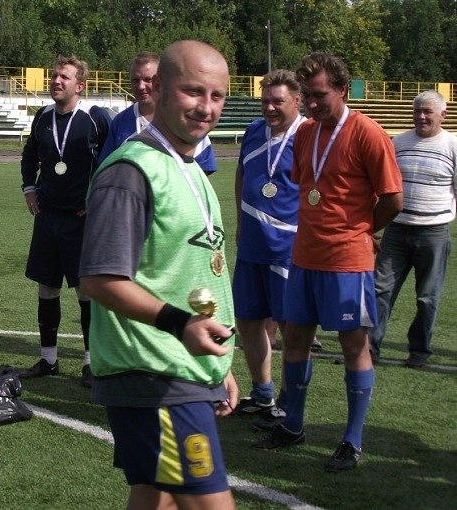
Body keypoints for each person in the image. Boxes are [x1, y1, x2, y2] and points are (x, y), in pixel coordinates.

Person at [79, 40, 238, 509]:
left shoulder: (188, 166)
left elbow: (188, 274)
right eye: (194, 91)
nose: (206, 107)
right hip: (154, 374)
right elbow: (99, 279)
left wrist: (218, 367)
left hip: (182, 370)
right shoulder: (131, 170)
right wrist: (180, 326)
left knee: (157, 499)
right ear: (161, 90)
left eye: (217, 96)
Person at [255, 52, 403, 473]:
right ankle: (293, 425)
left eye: (320, 95)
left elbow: (393, 199)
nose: (313, 103)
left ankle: (351, 441)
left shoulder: (368, 133)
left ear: (342, 90)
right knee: (295, 340)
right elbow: (309, 188)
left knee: (353, 345)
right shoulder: (306, 134)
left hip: (347, 260)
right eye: (308, 95)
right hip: (304, 255)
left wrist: (361, 229)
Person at [18, 56, 112, 388]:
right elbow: (30, 156)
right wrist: (29, 188)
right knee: (47, 287)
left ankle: (90, 361)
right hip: (47, 217)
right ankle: (48, 359)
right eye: (54, 75)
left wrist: (97, 199)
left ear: (80, 85)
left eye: (64, 77)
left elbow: (114, 160)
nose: (56, 81)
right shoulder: (42, 116)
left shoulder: (96, 117)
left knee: (86, 291)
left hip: (81, 220)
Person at [232, 69, 304, 428]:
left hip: (288, 247)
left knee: (293, 330)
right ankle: (263, 393)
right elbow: (242, 174)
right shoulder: (253, 130)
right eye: (265, 101)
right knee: (247, 321)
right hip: (251, 244)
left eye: (278, 101)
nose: (270, 108)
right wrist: (240, 221)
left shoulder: (307, 135)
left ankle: (290, 405)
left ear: (297, 100)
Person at [370, 91, 457, 368]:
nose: (420, 116)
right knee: (380, 289)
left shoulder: (452, 145)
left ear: (442, 115)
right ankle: (369, 349)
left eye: (427, 111)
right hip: (396, 230)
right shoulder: (398, 143)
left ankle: (419, 352)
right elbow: (381, 187)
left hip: (434, 232)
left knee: (427, 297)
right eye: (417, 111)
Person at [99, 51, 218, 175]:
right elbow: (107, 167)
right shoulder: (120, 122)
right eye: (135, 80)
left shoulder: (186, 118)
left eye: (148, 80)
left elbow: (203, 169)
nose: (141, 86)